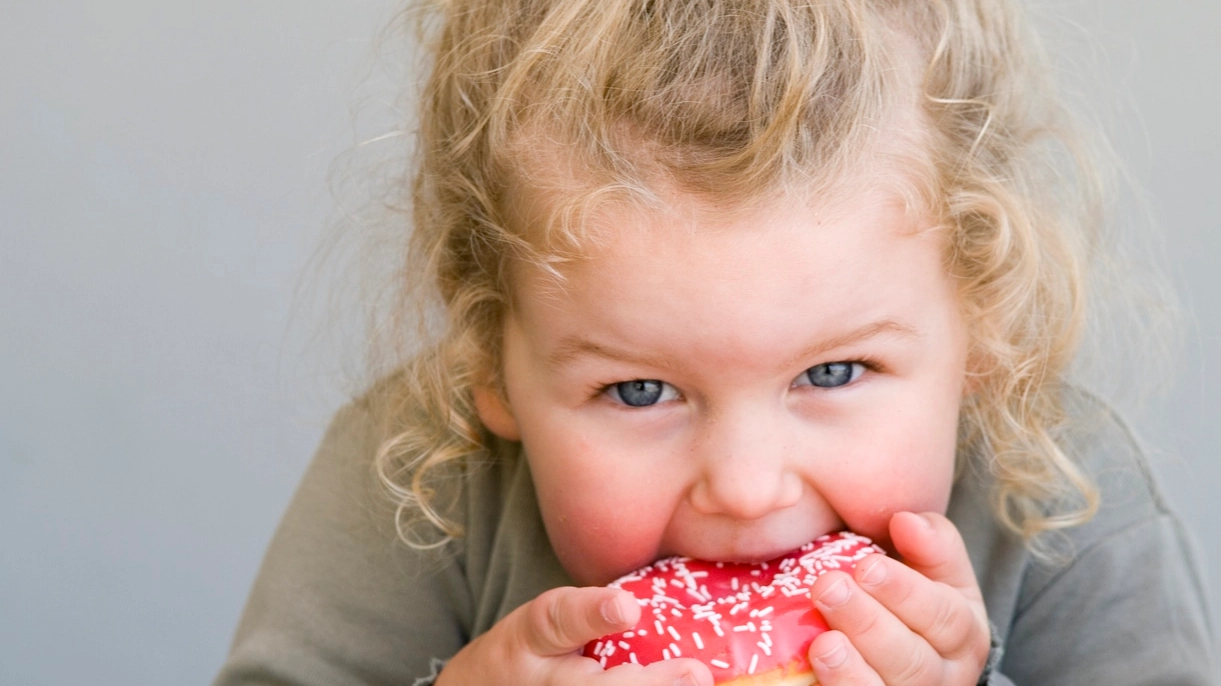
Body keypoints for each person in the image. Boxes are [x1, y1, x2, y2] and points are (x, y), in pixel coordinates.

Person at [214, 0, 1218, 684]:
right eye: (641, 391)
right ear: (490, 362)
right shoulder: (421, 475)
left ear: (984, 328)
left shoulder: (1058, 494)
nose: (744, 487)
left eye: (832, 371)